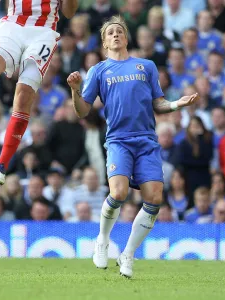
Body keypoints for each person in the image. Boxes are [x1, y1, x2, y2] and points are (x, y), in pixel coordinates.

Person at [67, 15, 199, 278]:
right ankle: (102, 240)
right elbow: (83, 111)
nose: (116, 35)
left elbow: (157, 103)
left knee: (154, 198)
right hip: (118, 140)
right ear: (104, 42)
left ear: (126, 38)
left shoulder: (146, 66)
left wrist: (176, 104)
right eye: (110, 33)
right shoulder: (98, 71)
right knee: (118, 192)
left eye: (120, 31)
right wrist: (75, 89)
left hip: (147, 141)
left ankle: (128, 253)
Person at [0, 0, 78, 185]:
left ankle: (2, 164)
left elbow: (69, 12)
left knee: (24, 94)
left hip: (43, 31)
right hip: (13, 24)